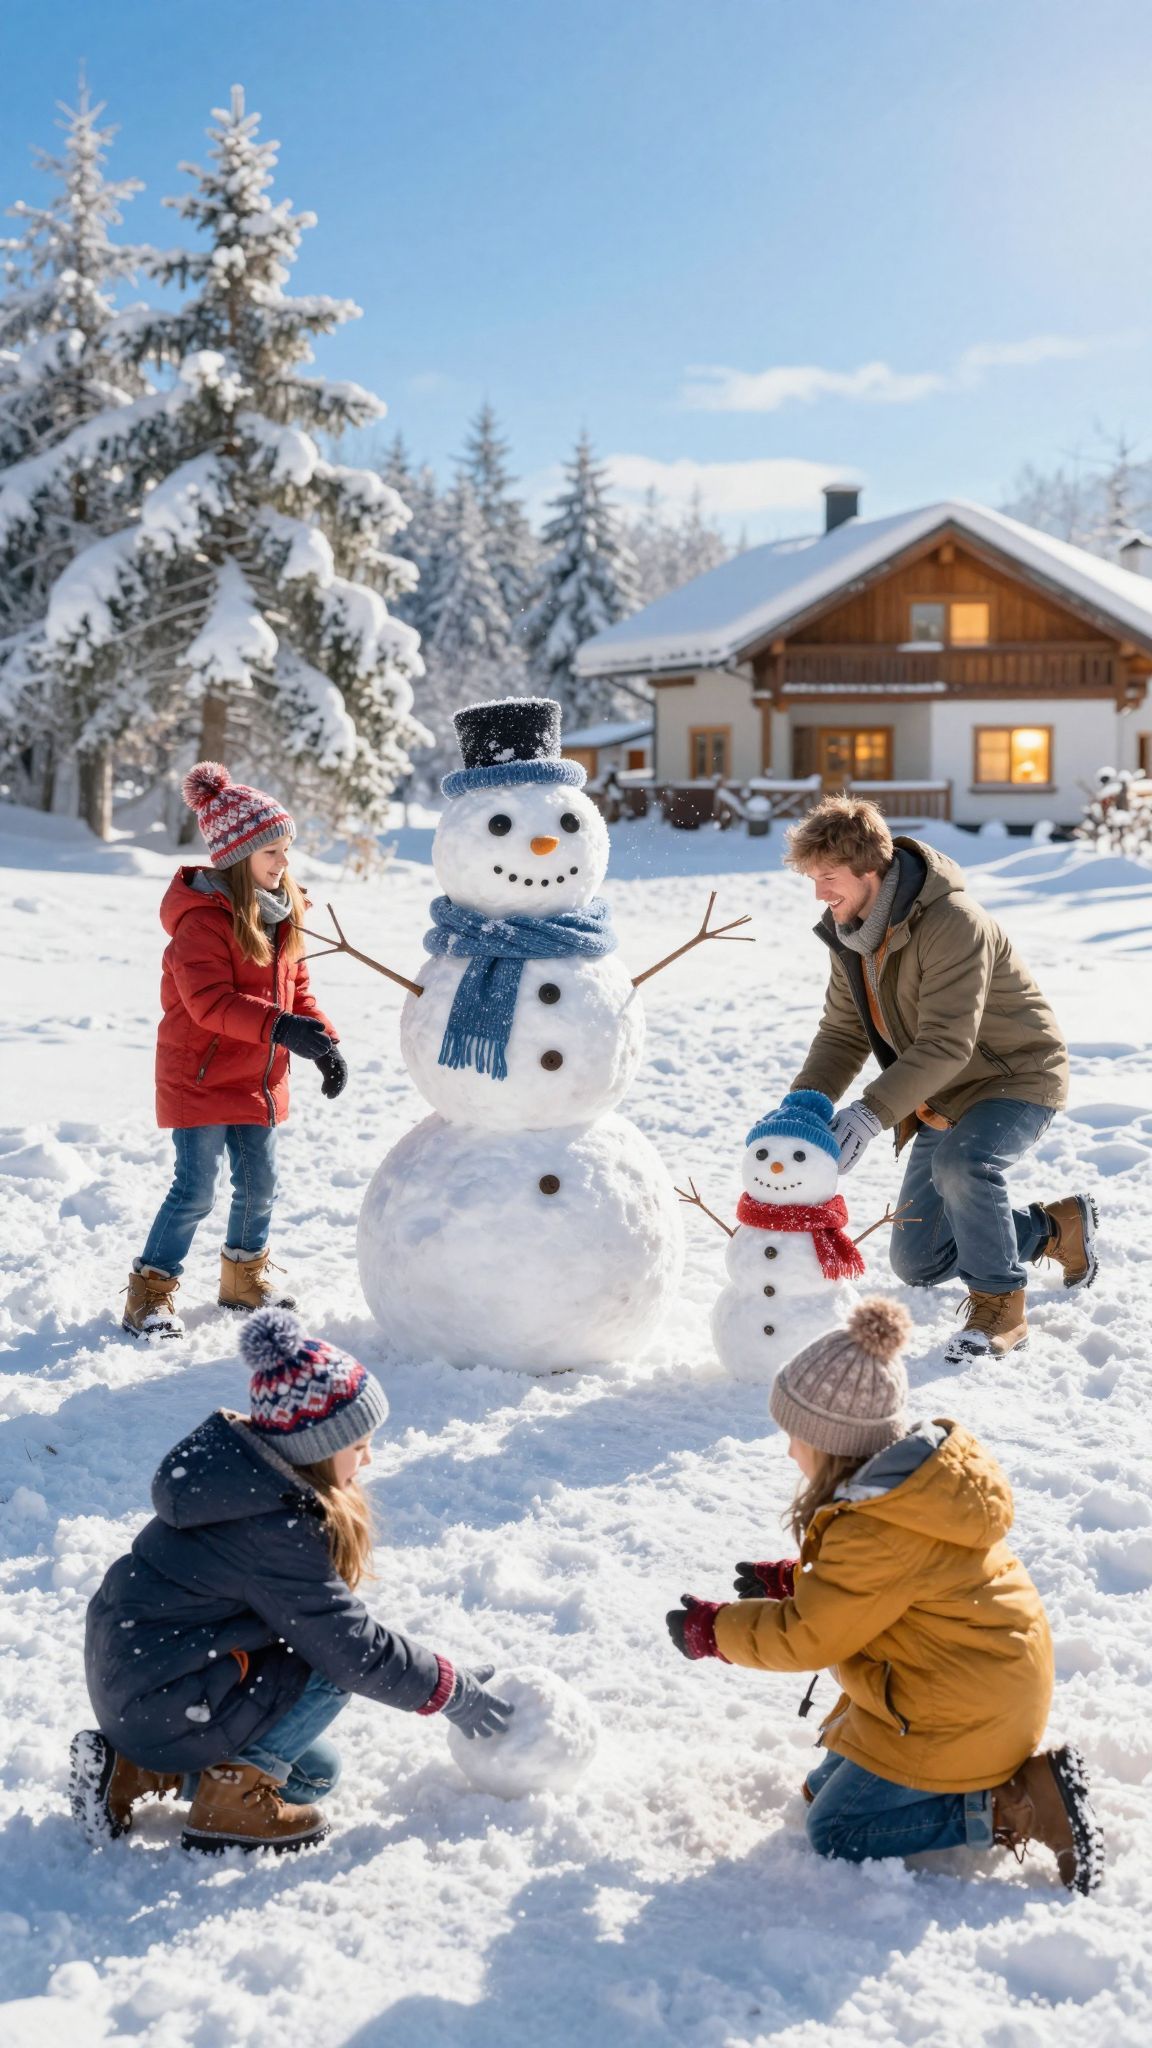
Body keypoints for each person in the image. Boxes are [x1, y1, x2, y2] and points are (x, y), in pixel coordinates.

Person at [665, 1298, 1103, 1894]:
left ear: (833, 1445)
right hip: (976, 1685)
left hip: (961, 1712)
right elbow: (883, 1590)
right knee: (820, 1787)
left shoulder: (873, 1528)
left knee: (837, 1829)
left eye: (797, 1436)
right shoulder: (905, 1495)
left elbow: (809, 1636)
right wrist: (795, 1582)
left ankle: (1016, 1802)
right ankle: (988, 1783)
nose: (790, 1450)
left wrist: (714, 1631)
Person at [71, 1308, 513, 1854]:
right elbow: (352, 1649)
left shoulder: (240, 1482)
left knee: (313, 1776)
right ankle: (228, 1807)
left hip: (143, 1691)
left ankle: (136, 1771)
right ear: (316, 1449)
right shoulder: (269, 1526)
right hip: (163, 1694)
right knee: (329, 1663)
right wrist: (449, 1689)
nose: (369, 1458)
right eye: (358, 1445)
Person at [784, 794, 1095, 1362]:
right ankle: (1054, 1230)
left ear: (869, 869)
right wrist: (799, 1110)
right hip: (944, 1091)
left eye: (828, 877)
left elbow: (948, 1042)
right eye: (812, 878)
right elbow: (842, 1033)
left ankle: (1001, 1307)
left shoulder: (954, 922)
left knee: (964, 1163)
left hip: (1016, 1075)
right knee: (918, 1259)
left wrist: (871, 1113)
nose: (820, 893)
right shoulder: (851, 933)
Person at [123, 761, 349, 1340]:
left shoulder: (281, 912)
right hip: (199, 1076)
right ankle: (150, 1292)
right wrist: (283, 1029)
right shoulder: (200, 924)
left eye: (286, 850)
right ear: (237, 856)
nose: (284, 864)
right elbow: (209, 1004)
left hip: (258, 1075)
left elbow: (296, 990)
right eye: (271, 851)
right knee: (195, 1190)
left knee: (261, 1182)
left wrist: (320, 1040)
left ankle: (243, 1279)